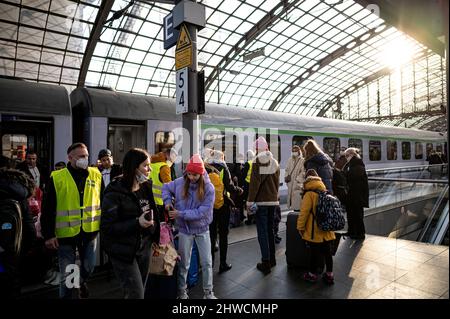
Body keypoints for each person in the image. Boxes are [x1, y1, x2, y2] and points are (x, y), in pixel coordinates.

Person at [40, 142, 102, 299]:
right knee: (68, 277)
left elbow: (103, 200)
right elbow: (47, 209)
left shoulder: (96, 174)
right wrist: (48, 235)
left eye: (87, 156)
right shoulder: (58, 177)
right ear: (70, 157)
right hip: (66, 236)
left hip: (90, 233)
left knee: (89, 268)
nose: (85, 159)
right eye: (81, 156)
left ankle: (81, 281)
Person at [100, 148, 160, 299]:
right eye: (146, 166)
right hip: (123, 251)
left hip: (144, 248)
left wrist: (155, 237)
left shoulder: (146, 186)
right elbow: (108, 227)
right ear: (134, 168)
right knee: (136, 294)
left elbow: (152, 211)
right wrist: (136, 222)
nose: (150, 169)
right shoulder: (114, 192)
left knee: (139, 291)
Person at [162, 154, 217, 299]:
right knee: (184, 264)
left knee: (206, 263)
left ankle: (208, 292)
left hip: (202, 229)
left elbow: (202, 212)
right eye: (189, 174)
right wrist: (167, 202)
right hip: (185, 230)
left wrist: (180, 214)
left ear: (201, 173)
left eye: (195, 175)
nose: (191, 177)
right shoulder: (180, 182)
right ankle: (182, 292)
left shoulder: (209, 188)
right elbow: (165, 188)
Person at [0, 167, 37, 298]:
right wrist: (21, 252)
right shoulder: (20, 198)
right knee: (10, 284)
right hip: (10, 254)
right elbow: (30, 230)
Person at [247, 136, 280, 275]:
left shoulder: (257, 161)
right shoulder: (274, 162)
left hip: (261, 202)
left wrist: (249, 201)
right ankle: (272, 259)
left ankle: (265, 262)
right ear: (266, 148)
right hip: (273, 201)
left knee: (262, 232)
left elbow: (254, 184)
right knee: (270, 230)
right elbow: (277, 183)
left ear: (256, 149)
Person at [206, 150, 243, 273]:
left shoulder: (206, 168)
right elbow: (229, 187)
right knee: (223, 235)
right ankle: (223, 263)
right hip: (222, 206)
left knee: (211, 235)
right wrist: (238, 189)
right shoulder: (223, 168)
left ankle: (209, 264)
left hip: (209, 207)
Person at [297, 169, 335, 285]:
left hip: (315, 230)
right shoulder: (325, 191)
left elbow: (304, 213)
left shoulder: (309, 194)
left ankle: (312, 274)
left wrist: (300, 227)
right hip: (327, 229)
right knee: (328, 253)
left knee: (314, 254)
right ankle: (329, 275)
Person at [342, 147, 369, 240]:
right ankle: (351, 231)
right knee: (351, 214)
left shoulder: (358, 163)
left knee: (357, 215)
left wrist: (345, 174)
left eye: (347, 155)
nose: (346, 157)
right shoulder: (351, 164)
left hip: (357, 195)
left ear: (352, 155)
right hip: (352, 194)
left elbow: (353, 176)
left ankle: (360, 233)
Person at [285, 144, 305, 212]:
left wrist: (297, 180)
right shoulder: (290, 160)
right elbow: (287, 170)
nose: (294, 152)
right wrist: (286, 177)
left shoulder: (302, 161)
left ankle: (297, 217)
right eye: (293, 151)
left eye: (295, 151)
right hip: (290, 183)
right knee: (293, 202)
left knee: (298, 203)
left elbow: (303, 172)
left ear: (299, 152)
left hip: (298, 185)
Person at [243, 150, 255, 225]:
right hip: (254, 184)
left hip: (248, 184)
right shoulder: (255, 162)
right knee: (254, 201)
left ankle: (249, 219)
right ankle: (255, 218)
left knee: (249, 202)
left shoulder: (248, 163)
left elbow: (244, 174)